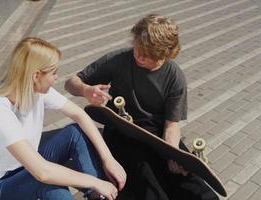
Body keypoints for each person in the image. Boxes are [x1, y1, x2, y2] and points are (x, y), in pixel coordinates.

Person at [65, 14, 219, 200]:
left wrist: (173, 155)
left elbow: (171, 126)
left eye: (146, 54)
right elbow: (71, 83)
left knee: (194, 188)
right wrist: (85, 89)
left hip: (157, 135)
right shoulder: (120, 59)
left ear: (164, 54)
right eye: (137, 48)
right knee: (150, 185)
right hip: (121, 131)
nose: (138, 55)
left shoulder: (174, 77)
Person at [0, 37, 126, 200]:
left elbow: (80, 115)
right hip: (0, 187)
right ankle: (99, 189)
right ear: (36, 75)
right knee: (47, 180)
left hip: (29, 165)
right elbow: (43, 173)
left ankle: (98, 197)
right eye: (53, 72)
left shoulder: (34, 89)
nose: (56, 78)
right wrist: (94, 181)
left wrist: (108, 159)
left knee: (74, 132)